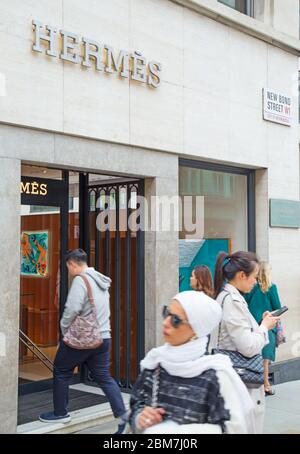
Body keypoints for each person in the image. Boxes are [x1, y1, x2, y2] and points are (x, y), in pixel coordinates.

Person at [129, 290, 257, 434]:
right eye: (166, 313)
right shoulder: (155, 363)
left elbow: (234, 428)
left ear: (196, 329)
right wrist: (140, 419)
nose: (166, 323)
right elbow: (136, 405)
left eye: (176, 320)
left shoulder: (215, 376)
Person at [39, 249, 127, 434]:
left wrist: (64, 331)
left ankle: (61, 413)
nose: (68, 270)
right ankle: (122, 416)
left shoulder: (81, 280)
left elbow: (72, 309)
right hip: (103, 338)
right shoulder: (101, 280)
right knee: (104, 377)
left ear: (72, 264)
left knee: (61, 370)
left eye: (68, 267)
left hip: (84, 338)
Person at [213, 251, 279, 434]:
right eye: (254, 277)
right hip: (240, 382)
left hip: (236, 380)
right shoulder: (232, 300)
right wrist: (264, 327)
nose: (256, 282)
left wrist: (261, 323)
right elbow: (248, 347)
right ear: (242, 275)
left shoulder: (232, 297)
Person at [244, 262, 282, 396]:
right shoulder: (272, 287)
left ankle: (257, 385)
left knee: (254, 356)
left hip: (251, 326)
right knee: (265, 359)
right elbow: (277, 307)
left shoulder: (250, 287)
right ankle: (266, 385)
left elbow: (245, 305)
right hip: (267, 326)